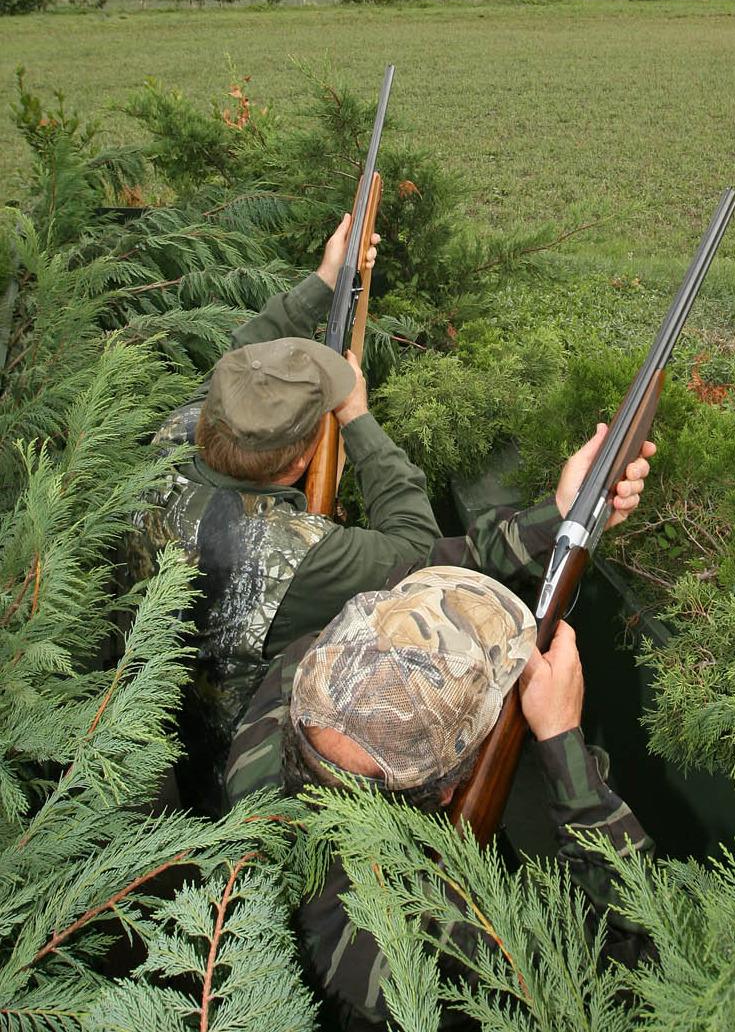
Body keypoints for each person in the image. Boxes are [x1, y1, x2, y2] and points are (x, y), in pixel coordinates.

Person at [129, 205, 655, 745]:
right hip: (239, 754)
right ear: (299, 461)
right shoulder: (301, 558)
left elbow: (239, 360)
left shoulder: (172, 440)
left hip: (153, 715)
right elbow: (421, 554)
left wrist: (325, 280)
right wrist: (357, 417)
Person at [225, 566, 652, 1031]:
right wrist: (560, 738)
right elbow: (643, 948)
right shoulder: (436, 949)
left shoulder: (270, 722)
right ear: (446, 792)